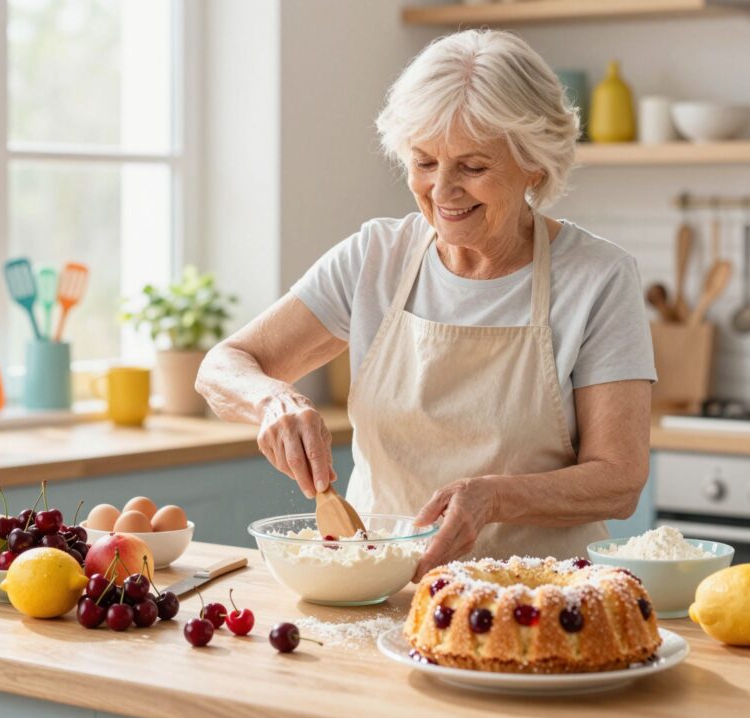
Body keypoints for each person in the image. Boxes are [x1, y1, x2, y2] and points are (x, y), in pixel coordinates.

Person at [196, 29, 656, 582]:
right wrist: (270, 400)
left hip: (541, 601)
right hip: (380, 589)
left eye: (473, 167)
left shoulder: (597, 277)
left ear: (534, 164)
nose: (442, 191)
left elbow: (619, 479)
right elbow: (222, 366)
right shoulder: (375, 258)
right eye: (424, 163)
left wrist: (492, 499)